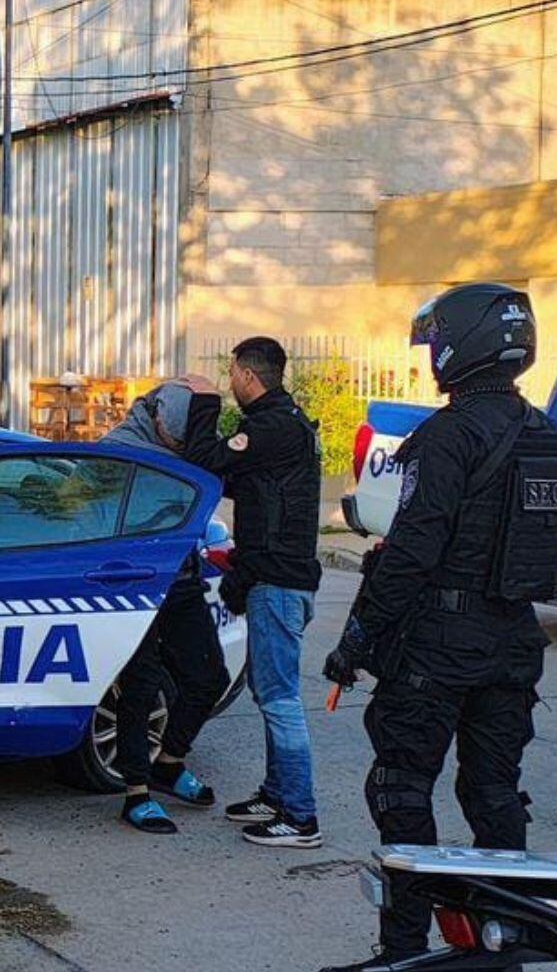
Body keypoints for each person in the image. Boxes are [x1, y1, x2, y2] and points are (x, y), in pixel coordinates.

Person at [319, 284, 557, 970]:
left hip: (439, 643)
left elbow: (413, 550)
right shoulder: (552, 437)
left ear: (460, 347)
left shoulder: (448, 435)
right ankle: (507, 941)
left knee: (401, 788)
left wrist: (357, 638)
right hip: (514, 640)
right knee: (495, 793)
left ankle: (404, 950)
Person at [176, 338, 325, 848]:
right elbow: (243, 481)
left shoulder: (272, 427)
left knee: (280, 699)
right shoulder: (283, 425)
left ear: (246, 374)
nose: (229, 382)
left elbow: (207, 459)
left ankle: (300, 817)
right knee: (269, 693)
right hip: (278, 578)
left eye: (231, 374)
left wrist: (203, 401)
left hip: (279, 584)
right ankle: (277, 795)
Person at [98, 380, 231, 834]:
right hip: (130, 586)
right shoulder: (116, 453)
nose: (181, 446)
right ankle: (136, 792)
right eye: (177, 437)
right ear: (156, 418)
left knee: (209, 676)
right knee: (141, 685)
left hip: (180, 580)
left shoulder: (192, 454)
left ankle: (169, 764)